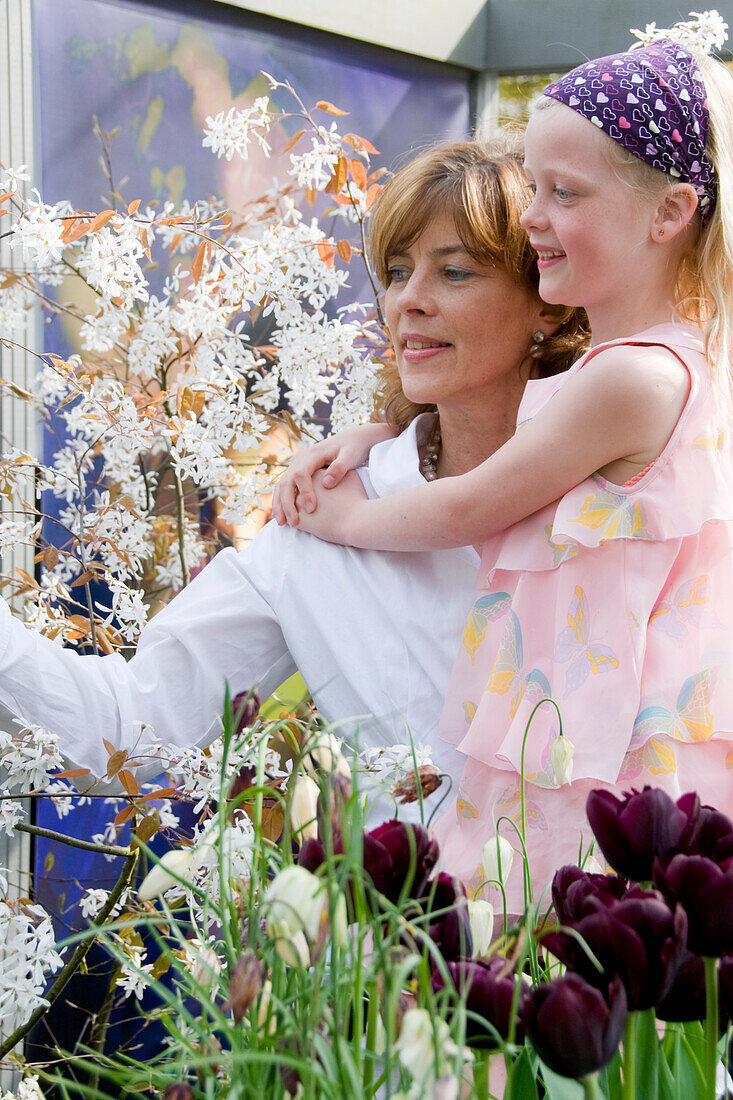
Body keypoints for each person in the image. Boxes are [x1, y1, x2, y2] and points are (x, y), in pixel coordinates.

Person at [0, 139, 587, 825]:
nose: (409, 302)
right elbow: (132, 732)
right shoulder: (324, 517)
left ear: (547, 302)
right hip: (418, 926)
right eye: (395, 273)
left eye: (454, 272)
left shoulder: (620, 494)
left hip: (619, 918)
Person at [279, 35, 733, 912]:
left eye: (563, 193)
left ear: (669, 211)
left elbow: (475, 503)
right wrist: (382, 430)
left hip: (594, 750)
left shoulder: (631, 377)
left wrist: (341, 518)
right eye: (536, 186)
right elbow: (520, 421)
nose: (533, 217)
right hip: (586, 733)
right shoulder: (655, 363)